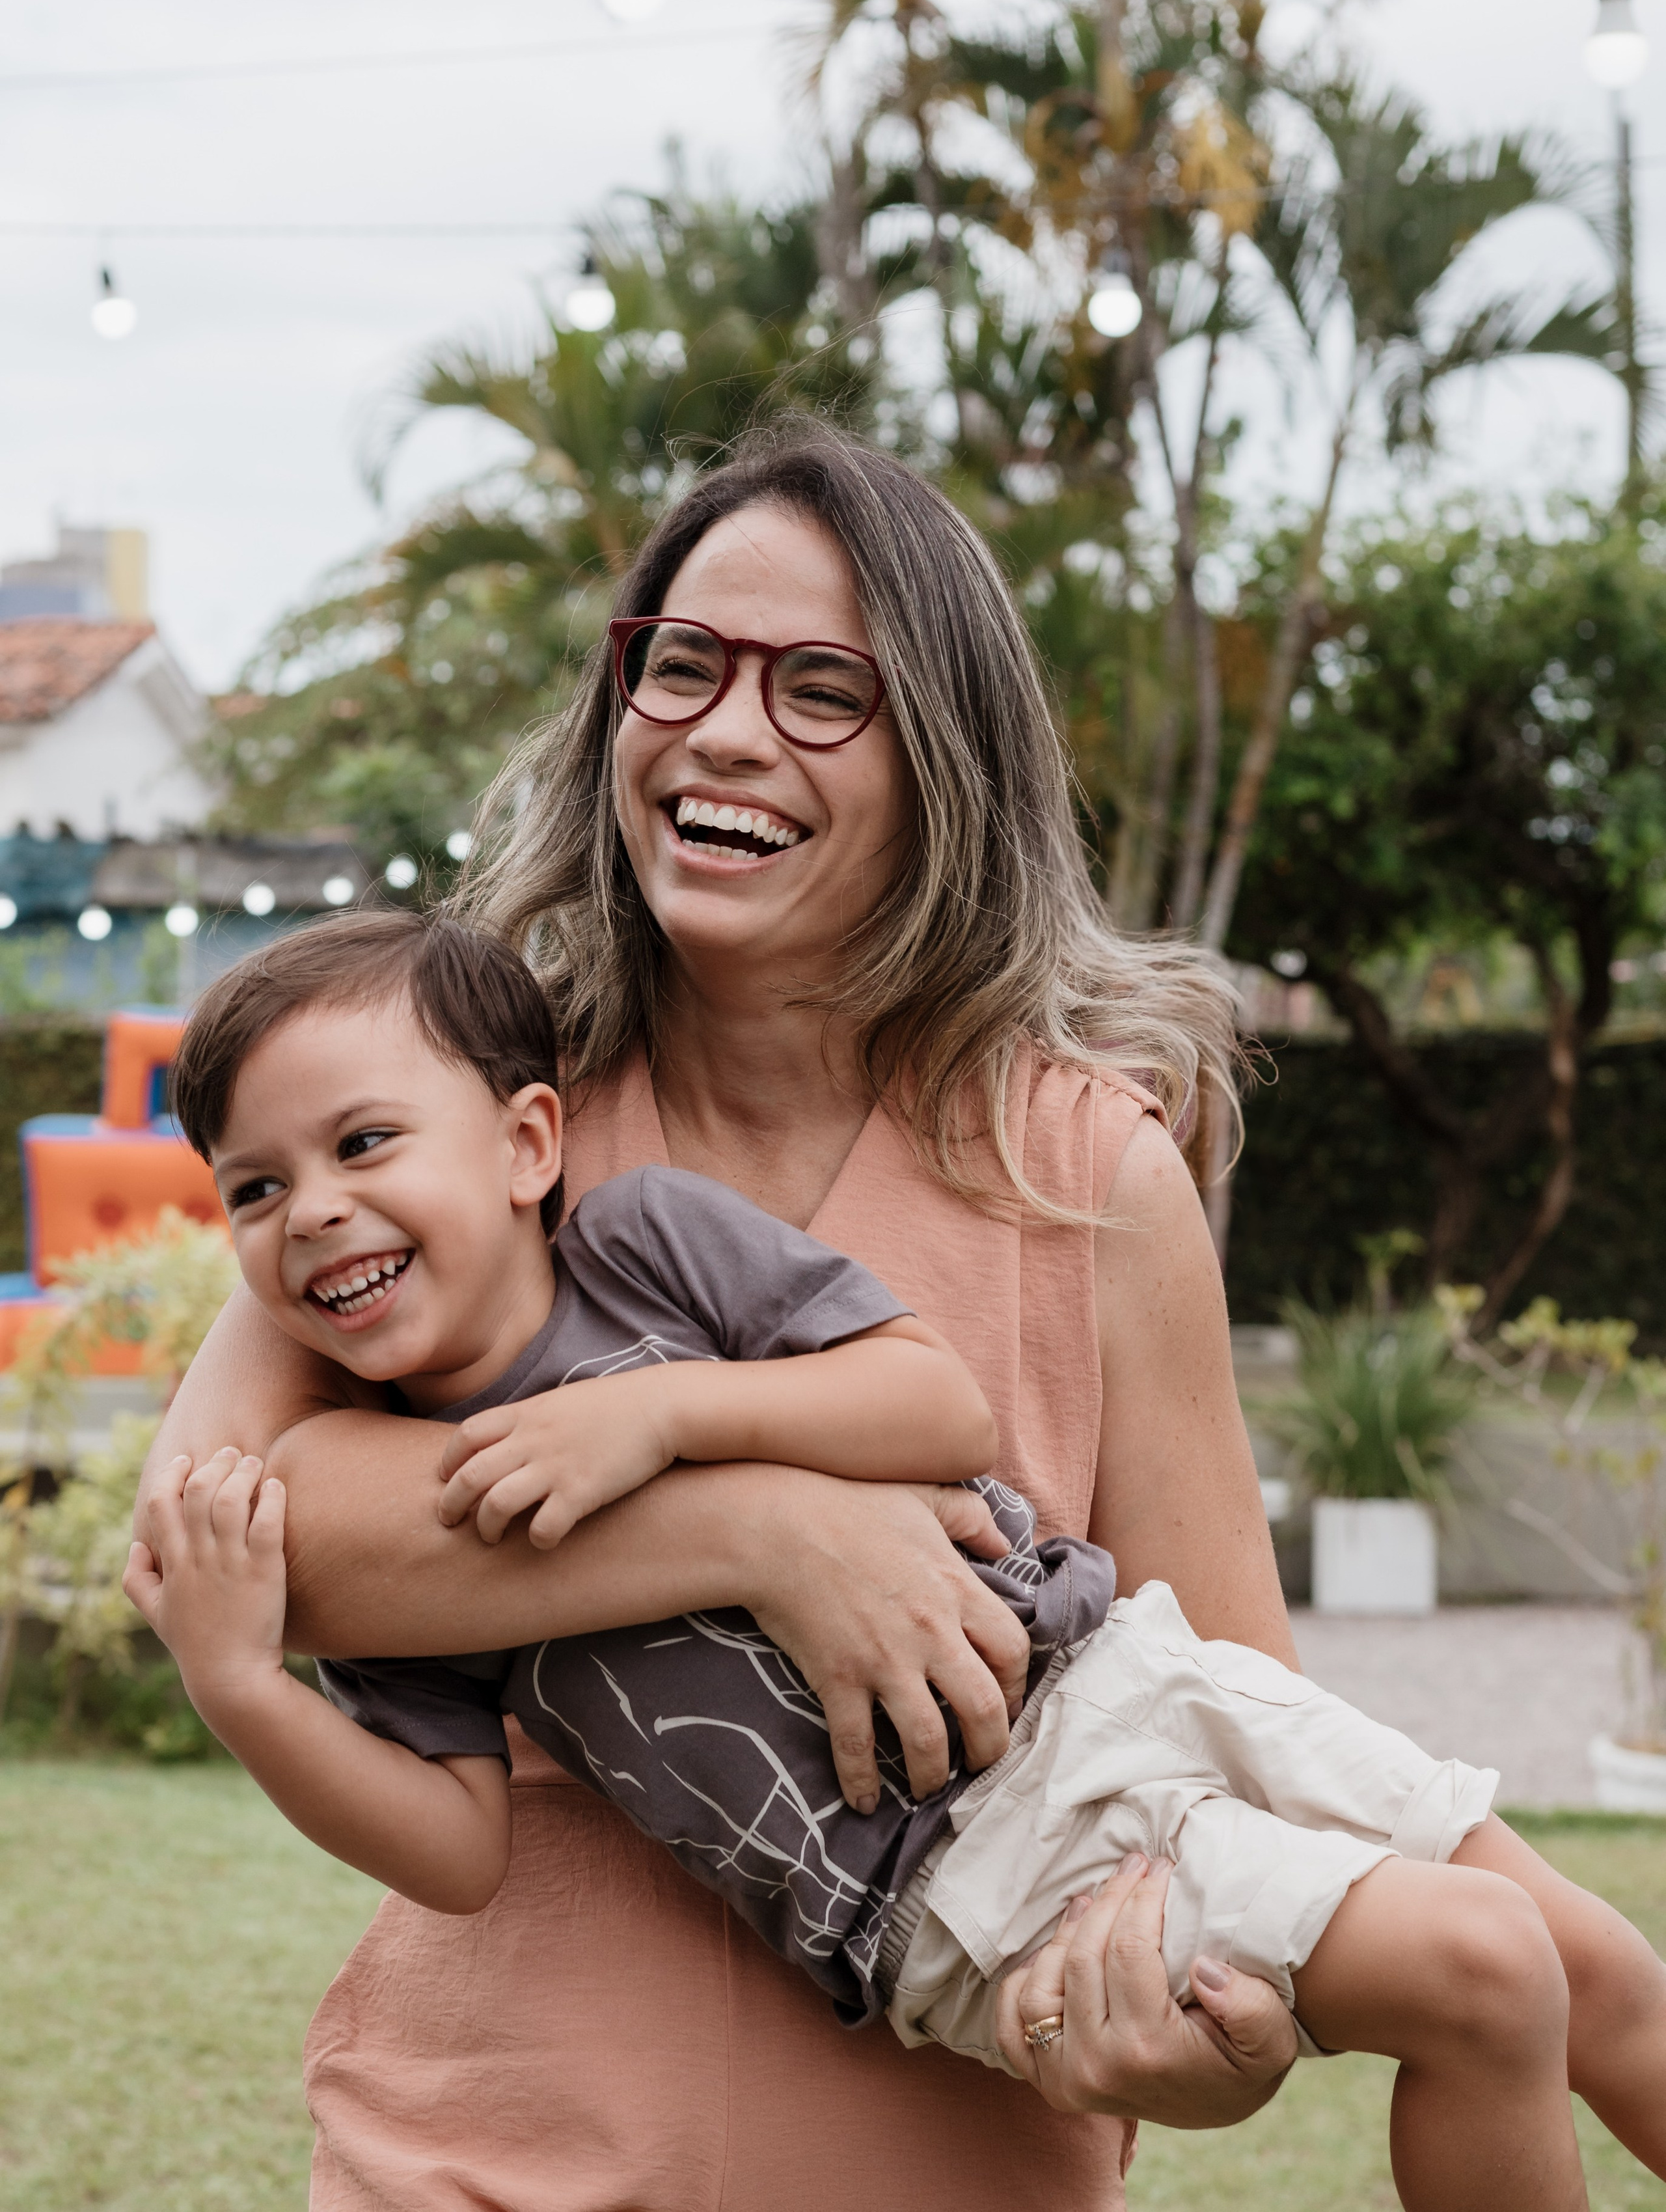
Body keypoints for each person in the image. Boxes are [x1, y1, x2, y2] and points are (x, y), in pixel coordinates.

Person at [134, 421, 1334, 2210]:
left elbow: (1240, 1729)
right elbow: (230, 1530)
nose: (724, 727)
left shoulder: (1086, 1169)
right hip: (470, 2168)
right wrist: (763, 1526)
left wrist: (1203, 2020)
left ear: (947, 759)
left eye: (823, 688)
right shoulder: (478, 1112)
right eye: (680, 663)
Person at [132, 911, 1666, 2212]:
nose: (313, 1206)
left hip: (1118, 1674)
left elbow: (937, 1405)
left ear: (530, 1139)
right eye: (253, 1188)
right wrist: (238, 1686)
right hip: (959, 1871)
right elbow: (453, 1849)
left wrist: (662, 1416)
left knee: (1594, 1961)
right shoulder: (378, 1486)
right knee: (1485, 1968)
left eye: (360, 1144)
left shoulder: (647, 1242)